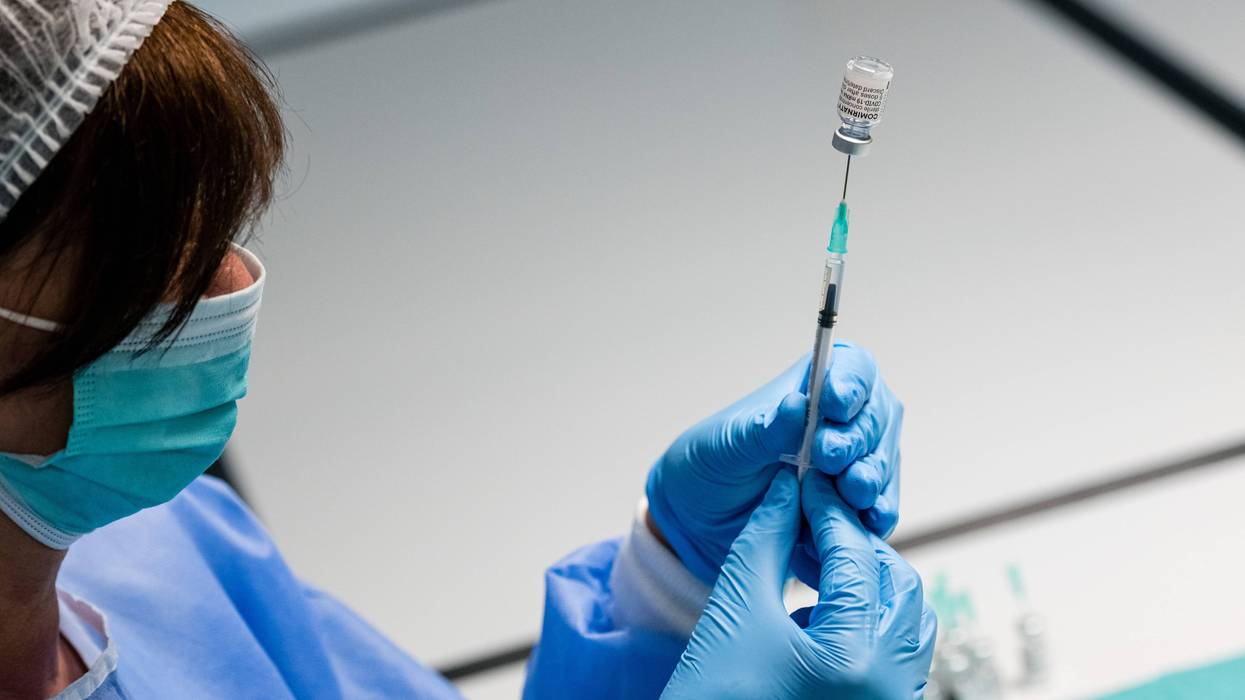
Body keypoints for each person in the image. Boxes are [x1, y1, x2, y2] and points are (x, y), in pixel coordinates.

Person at [0, 2, 934, 698]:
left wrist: (670, 586)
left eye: (214, 229)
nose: (233, 281)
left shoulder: (173, 558)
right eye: (148, 257)